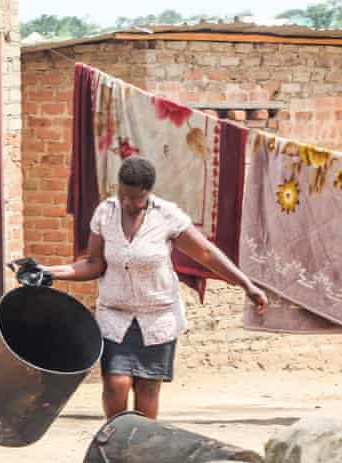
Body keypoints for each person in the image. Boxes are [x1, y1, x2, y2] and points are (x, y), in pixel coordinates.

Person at [44, 156, 268, 420]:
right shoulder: (106, 213)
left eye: (135, 198)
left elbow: (206, 254)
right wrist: (51, 272)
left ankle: (140, 448)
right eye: (124, 195)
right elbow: (94, 263)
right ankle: (115, 440)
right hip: (116, 315)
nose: (128, 203)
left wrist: (246, 285)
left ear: (148, 192)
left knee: (148, 388)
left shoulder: (167, 216)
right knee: (116, 383)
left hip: (158, 316)